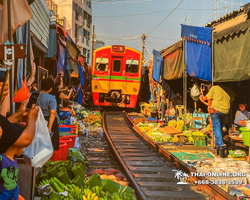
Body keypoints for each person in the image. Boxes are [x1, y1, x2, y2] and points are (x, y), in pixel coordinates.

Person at [0, 82, 39, 200]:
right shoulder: (2, 160)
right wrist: (31, 119)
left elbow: (4, 122)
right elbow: (26, 138)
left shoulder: (12, 159)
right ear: (16, 142)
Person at [200, 84, 233, 148]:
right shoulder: (229, 89)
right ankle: (222, 132)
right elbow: (231, 100)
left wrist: (201, 93)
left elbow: (206, 98)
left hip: (216, 110)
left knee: (216, 127)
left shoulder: (214, 88)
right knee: (219, 125)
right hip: (225, 111)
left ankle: (220, 145)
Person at [36, 78, 59, 150]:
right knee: (51, 142)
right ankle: (50, 158)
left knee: (38, 140)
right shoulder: (51, 98)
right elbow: (52, 112)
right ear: (51, 88)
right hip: (48, 120)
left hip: (37, 119)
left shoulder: (35, 95)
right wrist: (49, 127)